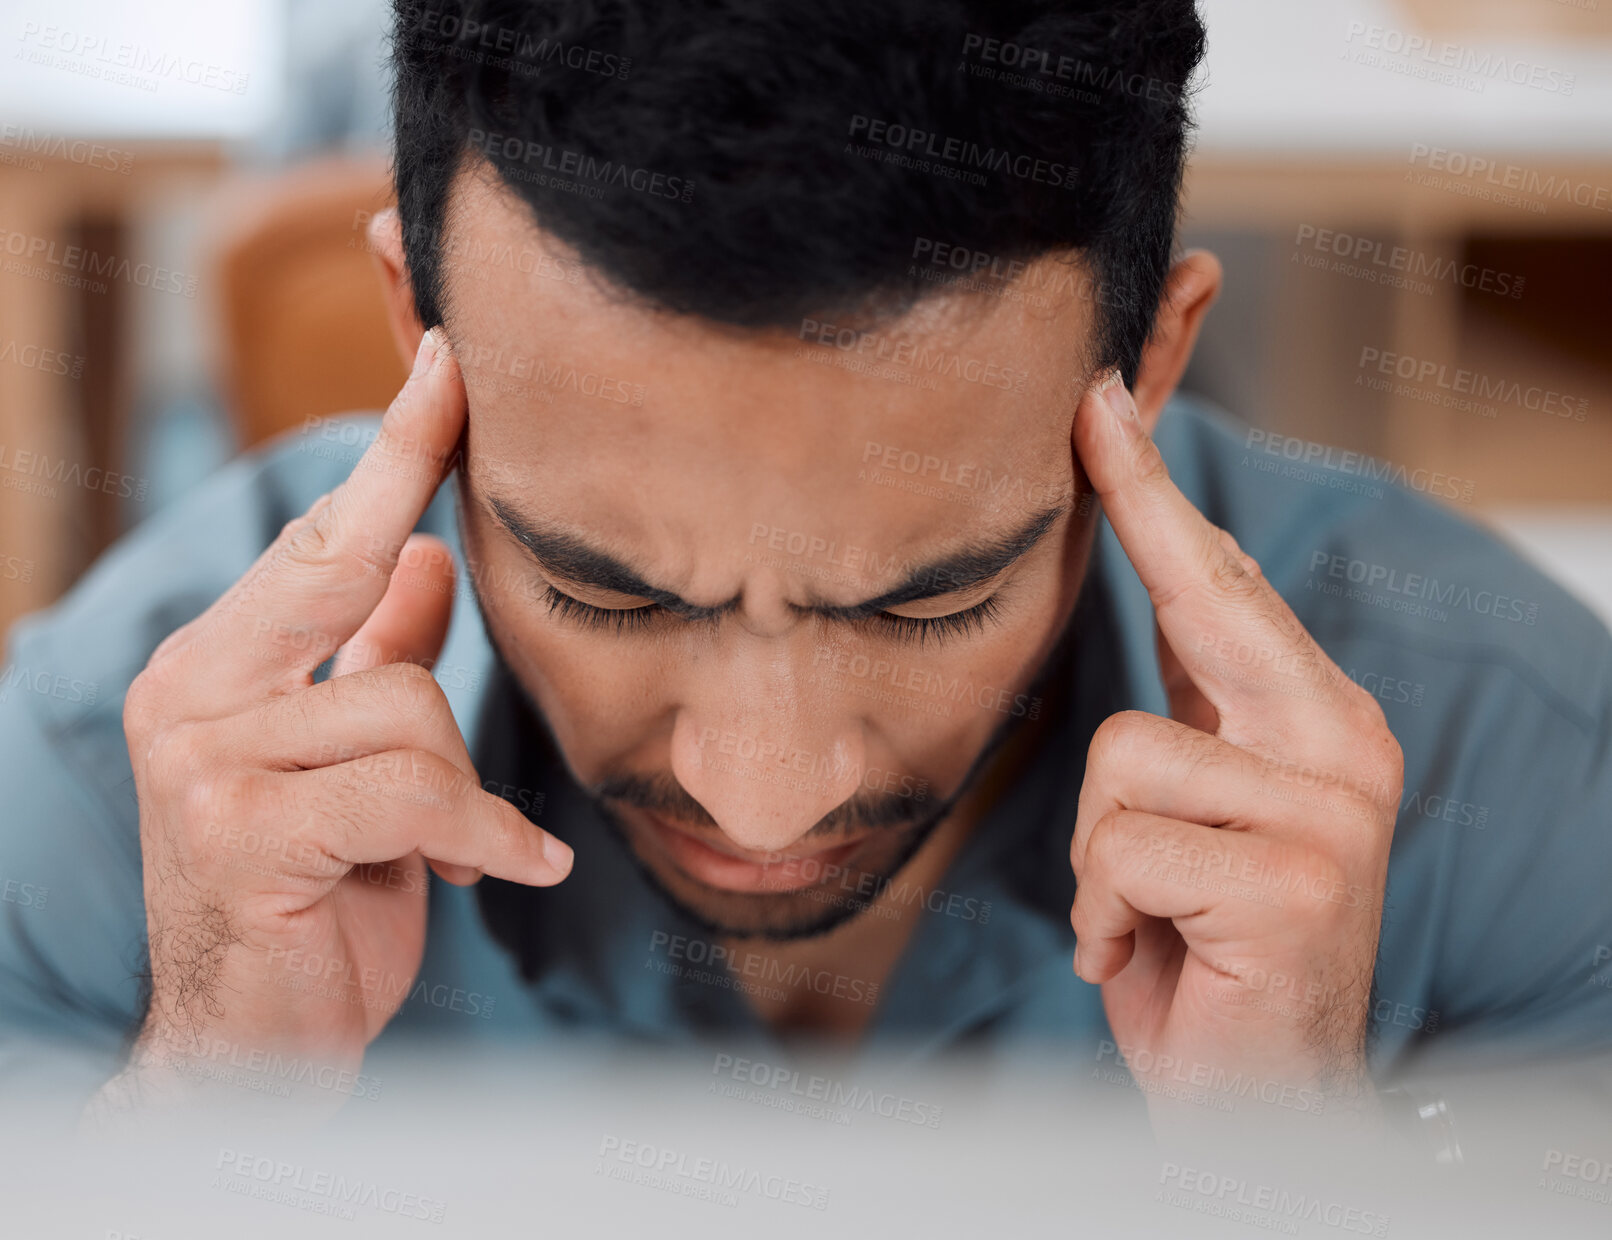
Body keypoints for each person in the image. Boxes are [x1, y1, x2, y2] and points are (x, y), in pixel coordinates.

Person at [1, 0, 1608, 1131]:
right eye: (608, 590)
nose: (764, 798)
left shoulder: (1524, 766)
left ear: (1156, 362)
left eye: (930, 599)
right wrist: (204, 1116)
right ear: (418, 334)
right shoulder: (97, 776)